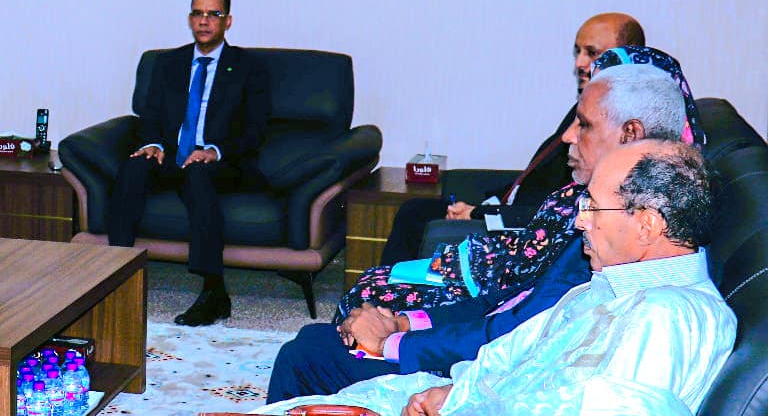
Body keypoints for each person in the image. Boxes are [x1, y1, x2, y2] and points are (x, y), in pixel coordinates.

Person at [269, 55, 694, 402]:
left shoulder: (618, 246)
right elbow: (510, 302)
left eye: (582, 124)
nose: (568, 135)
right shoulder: (618, 223)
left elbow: (516, 338)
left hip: (475, 379)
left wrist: (393, 343)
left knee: (306, 354)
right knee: (314, 340)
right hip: (477, 353)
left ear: (630, 133)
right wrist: (405, 323)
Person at [257, 139, 735, 415]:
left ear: (647, 225)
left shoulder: (666, 318)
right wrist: (451, 393)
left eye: (593, 206)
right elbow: (514, 359)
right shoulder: (614, 286)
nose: (580, 220)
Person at [378, 13, 644, 265]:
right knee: (414, 210)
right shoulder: (586, 106)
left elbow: (567, 208)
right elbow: (542, 177)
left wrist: (481, 213)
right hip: (509, 208)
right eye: (579, 52)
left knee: (418, 218)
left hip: (522, 230)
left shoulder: (618, 127)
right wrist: (488, 204)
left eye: (592, 53)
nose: (579, 64)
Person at [104, 0, 272, 326]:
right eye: (197, 13)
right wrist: (153, 142)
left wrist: (213, 151)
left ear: (228, 21)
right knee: (135, 167)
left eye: (214, 14)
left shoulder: (248, 67)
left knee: (198, 175)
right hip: (171, 157)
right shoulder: (168, 63)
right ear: (189, 18)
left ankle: (213, 292)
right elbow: (149, 115)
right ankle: (117, 280)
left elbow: (255, 129)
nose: (204, 21)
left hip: (221, 163)